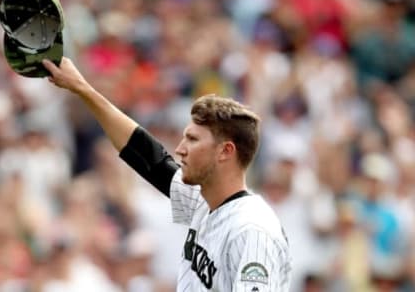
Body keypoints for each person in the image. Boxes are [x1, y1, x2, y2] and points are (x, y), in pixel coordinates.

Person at [41, 57, 292, 291]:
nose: (180, 150)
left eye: (192, 140)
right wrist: (83, 89)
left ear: (225, 151)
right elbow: (148, 157)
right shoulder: (203, 203)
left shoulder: (251, 230)